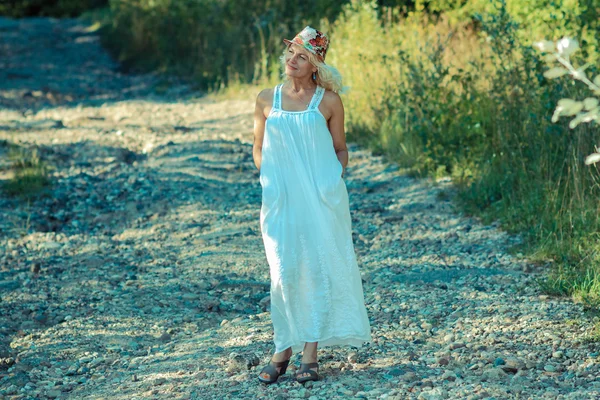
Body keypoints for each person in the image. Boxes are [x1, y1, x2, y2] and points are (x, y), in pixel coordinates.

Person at [252, 26, 372, 385]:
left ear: (316, 65)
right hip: (280, 199)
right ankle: (283, 346)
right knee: (283, 270)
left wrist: (328, 182)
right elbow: (258, 148)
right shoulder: (265, 98)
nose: (292, 60)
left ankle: (309, 353)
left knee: (315, 269)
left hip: (320, 200)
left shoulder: (329, 102)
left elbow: (340, 150)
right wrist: (272, 179)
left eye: (302, 56)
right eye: (291, 53)